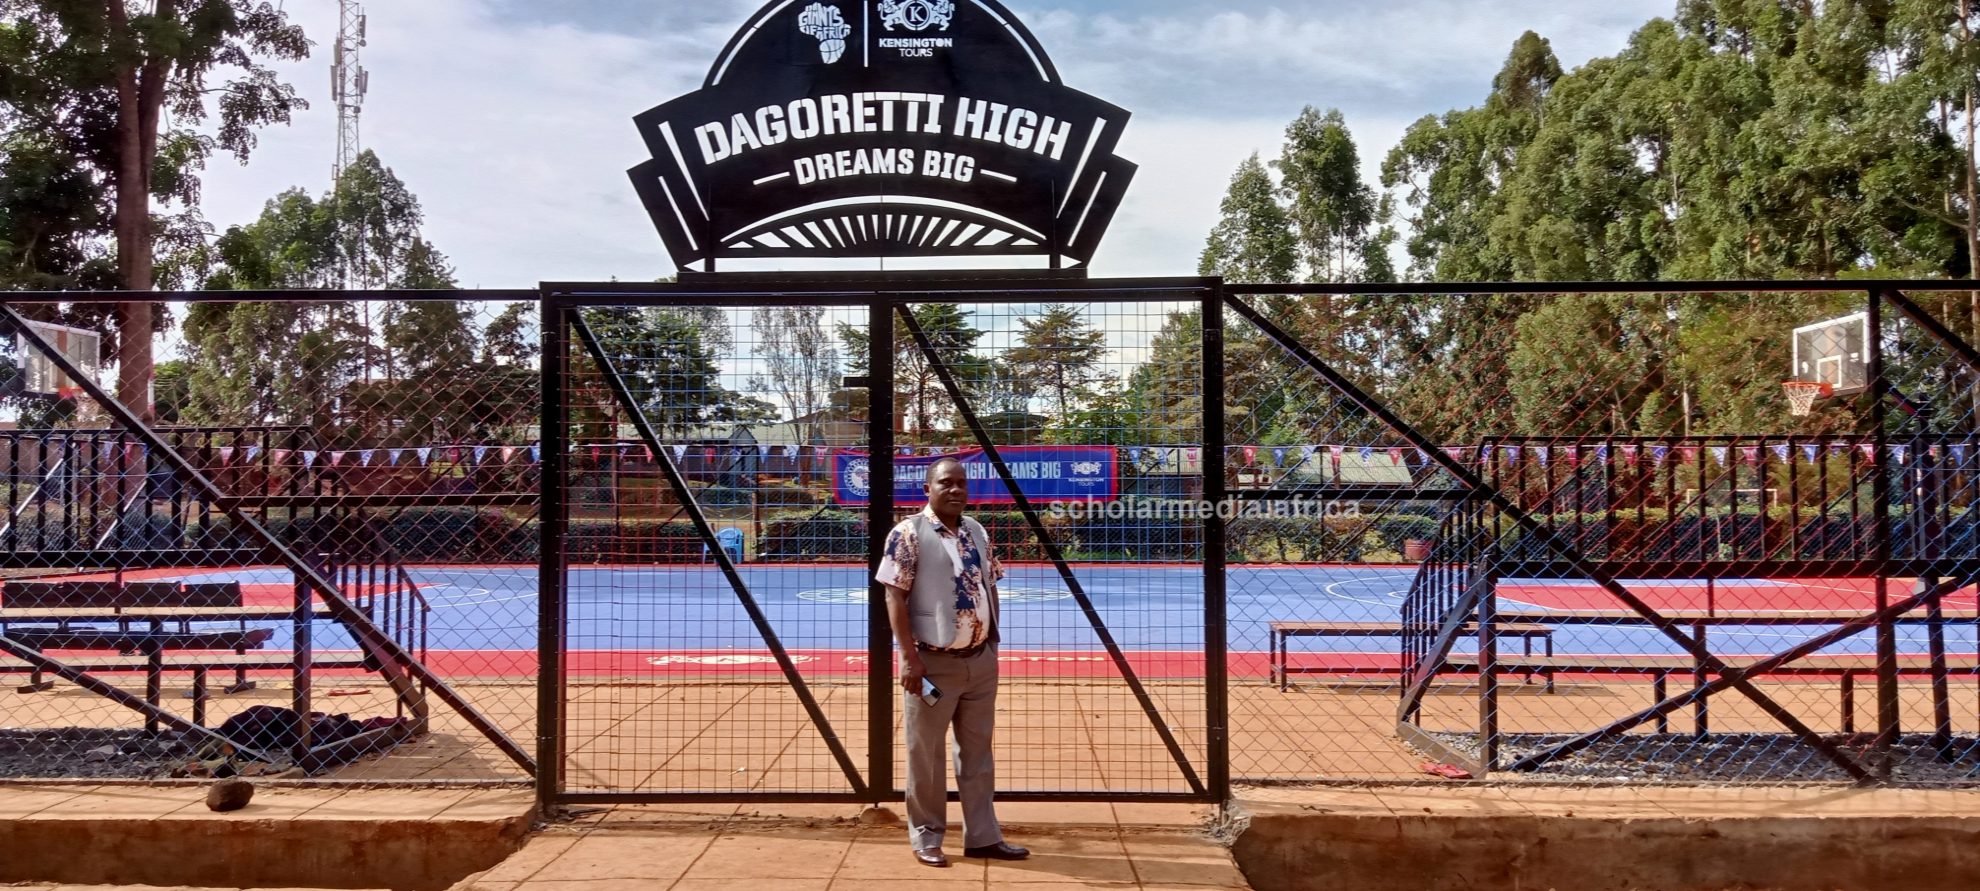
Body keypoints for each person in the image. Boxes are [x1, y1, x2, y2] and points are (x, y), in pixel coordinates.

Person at [875, 456, 1031, 868]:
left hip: (979, 663)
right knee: (925, 755)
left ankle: (983, 836)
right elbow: (894, 596)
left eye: (962, 483)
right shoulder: (907, 533)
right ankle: (927, 836)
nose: (957, 489)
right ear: (928, 488)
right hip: (932, 664)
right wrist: (909, 658)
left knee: (977, 754)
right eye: (947, 483)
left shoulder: (976, 531)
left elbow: (989, 584)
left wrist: (992, 639)